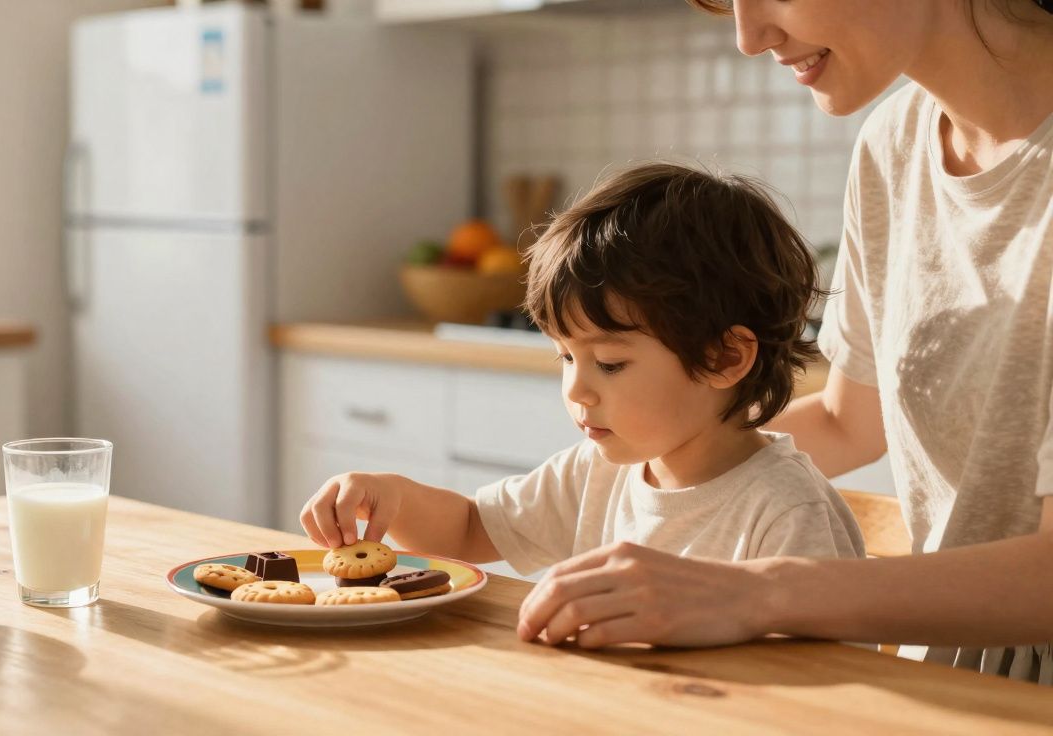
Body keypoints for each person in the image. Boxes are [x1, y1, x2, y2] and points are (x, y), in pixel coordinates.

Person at [513, 0, 1053, 684]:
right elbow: (847, 421)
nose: (748, 36)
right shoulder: (896, 146)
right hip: (950, 678)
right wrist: (663, 473)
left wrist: (754, 592)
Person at [299, 162, 865, 594]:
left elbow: (824, 685)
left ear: (724, 358)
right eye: (566, 358)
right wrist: (392, 495)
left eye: (610, 363)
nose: (576, 391)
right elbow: (471, 528)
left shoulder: (787, 515)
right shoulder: (594, 473)